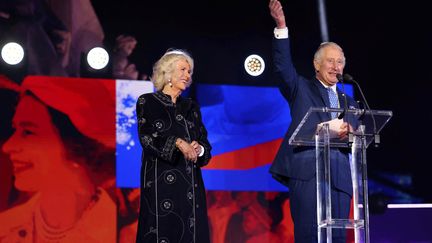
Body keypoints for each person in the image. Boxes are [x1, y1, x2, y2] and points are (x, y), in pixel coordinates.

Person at [268, 0, 359, 242]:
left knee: (337, 238)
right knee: (309, 235)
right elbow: (282, 67)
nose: (336, 67)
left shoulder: (350, 101)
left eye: (340, 62)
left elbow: (357, 136)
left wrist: (351, 133)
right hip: (308, 173)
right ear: (316, 65)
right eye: (330, 61)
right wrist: (281, 27)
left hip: (339, 177)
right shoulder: (300, 88)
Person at [0, 76, 117, 242]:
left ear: (77, 145)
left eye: (28, 132)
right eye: (15, 130)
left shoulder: (122, 233)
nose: (8, 146)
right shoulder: (5, 228)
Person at [135, 48, 212, 243]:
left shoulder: (191, 107)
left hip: (190, 188)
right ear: (167, 73)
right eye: (183, 70)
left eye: (189, 72)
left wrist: (198, 148)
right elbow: (147, 138)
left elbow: (204, 143)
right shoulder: (148, 102)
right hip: (161, 185)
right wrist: (178, 143)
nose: (187, 75)